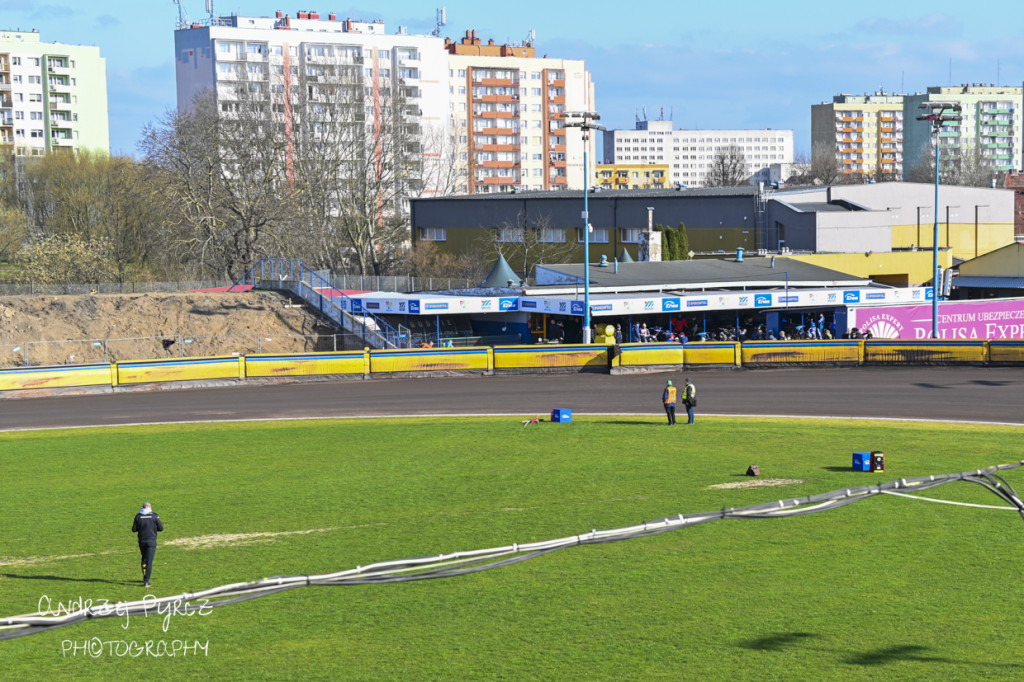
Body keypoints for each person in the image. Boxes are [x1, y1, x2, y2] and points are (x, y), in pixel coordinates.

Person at [132, 502, 163, 587]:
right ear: (150, 507)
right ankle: (146, 580)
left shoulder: (138, 516)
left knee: (144, 559)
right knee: (149, 561)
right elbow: (161, 528)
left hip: (142, 541)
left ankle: (144, 577)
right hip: (151, 541)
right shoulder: (154, 516)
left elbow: (134, 529)